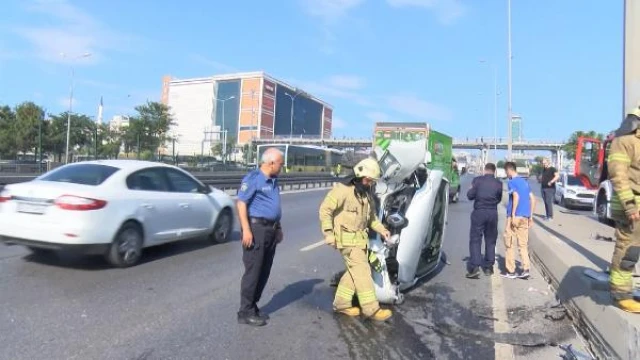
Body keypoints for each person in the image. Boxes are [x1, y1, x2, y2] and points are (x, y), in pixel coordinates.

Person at [318, 158, 393, 321]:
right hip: (346, 242)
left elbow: (372, 219)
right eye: (367, 180)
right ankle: (371, 309)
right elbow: (325, 210)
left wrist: (383, 230)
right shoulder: (342, 190)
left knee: (353, 274)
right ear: (359, 176)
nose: (369, 184)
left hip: (360, 242)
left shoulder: (366, 196)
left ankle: (341, 304)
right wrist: (329, 233)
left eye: (372, 182)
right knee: (363, 272)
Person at [236, 147, 285, 326]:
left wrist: (277, 227)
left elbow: (273, 207)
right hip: (256, 230)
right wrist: (246, 230)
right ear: (271, 163)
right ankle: (244, 311)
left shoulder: (274, 180)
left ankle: (253, 306)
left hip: (270, 230)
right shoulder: (254, 179)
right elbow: (241, 203)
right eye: (281, 164)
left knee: (264, 270)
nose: (282, 167)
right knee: (253, 271)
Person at [605, 105, 640, 313]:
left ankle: (626, 289)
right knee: (628, 249)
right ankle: (620, 293)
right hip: (631, 206)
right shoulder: (625, 141)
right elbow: (619, 176)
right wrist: (629, 206)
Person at [465, 163, 503, 279]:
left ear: (484, 170)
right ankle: (488, 267)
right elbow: (499, 199)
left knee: (475, 239)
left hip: (479, 212)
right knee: (490, 239)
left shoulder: (477, 181)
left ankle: (475, 267)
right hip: (492, 213)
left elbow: (470, 196)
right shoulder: (498, 183)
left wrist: (471, 189)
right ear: (494, 171)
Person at [501, 161, 536, 279]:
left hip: (514, 216)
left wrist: (513, 214)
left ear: (509, 170)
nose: (506, 174)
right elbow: (533, 199)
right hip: (525, 217)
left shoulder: (511, 182)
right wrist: (530, 216)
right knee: (523, 245)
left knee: (509, 243)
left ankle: (511, 271)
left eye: (506, 171)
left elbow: (516, 197)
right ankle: (526, 269)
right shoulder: (525, 182)